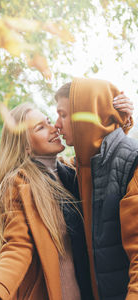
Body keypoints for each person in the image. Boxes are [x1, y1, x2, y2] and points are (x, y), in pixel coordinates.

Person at [0, 102, 94, 300]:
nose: (53, 128)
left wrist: (121, 120)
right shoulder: (19, 184)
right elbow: (17, 246)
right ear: (26, 146)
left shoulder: (73, 174)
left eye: (47, 122)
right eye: (41, 128)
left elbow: (107, 157)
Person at [54, 78, 138, 300]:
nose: (56, 124)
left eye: (63, 115)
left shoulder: (134, 163)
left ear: (86, 112)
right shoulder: (81, 168)